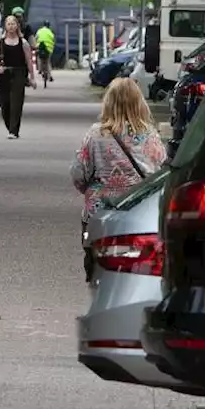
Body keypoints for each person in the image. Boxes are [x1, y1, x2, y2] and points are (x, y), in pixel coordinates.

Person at [70, 78, 167, 282]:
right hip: (139, 212)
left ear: (108, 102)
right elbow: (160, 171)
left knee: (96, 264)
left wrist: (91, 191)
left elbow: (79, 174)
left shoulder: (95, 135)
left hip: (101, 212)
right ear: (139, 103)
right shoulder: (151, 136)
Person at [0, 15, 37, 139]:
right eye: (8, 24)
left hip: (19, 73)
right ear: (5, 26)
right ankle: (9, 125)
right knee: (4, 103)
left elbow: (29, 61)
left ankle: (13, 131)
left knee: (16, 103)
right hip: (4, 73)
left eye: (13, 24)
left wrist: (32, 77)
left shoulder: (23, 43)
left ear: (17, 26)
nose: (11, 26)